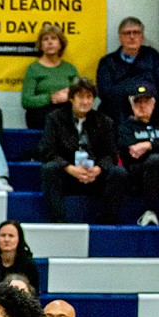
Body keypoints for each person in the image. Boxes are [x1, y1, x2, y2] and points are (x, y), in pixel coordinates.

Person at [39, 77, 126, 224]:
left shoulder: (104, 121)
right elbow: (47, 151)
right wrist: (69, 168)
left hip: (94, 176)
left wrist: (98, 169)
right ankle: (58, 221)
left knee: (119, 172)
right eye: (80, 97)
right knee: (49, 169)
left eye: (89, 97)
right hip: (68, 175)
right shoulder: (55, 119)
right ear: (71, 98)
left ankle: (107, 222)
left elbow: (110, 154)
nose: (85, 102)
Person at [116, 83, 159, 226]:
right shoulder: (126, 126)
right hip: (141, 173)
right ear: (132, 105)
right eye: (138, 102)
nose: (142, 106)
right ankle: (150, 211)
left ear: (154, 103)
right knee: (154, 159)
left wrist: (148, 145)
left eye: (146, 101)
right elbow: (131, 150)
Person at [96, 17, 159, 125]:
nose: (132, 37)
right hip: (119, 113)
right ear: (120, 38)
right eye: (127, 33)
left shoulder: (152, 56)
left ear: (142, 37)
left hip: (149, 110)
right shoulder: (107, 62)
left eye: (136, 32)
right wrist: (135, 89)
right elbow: (104, 93)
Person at [20, 23, 79, 130]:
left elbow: (79, 95)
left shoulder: (70, 68)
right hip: (41, 114)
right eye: (45, 39)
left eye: (54, 38)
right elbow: (26, 101)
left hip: (65, 111)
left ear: (60, 44)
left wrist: (69, 96)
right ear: (41, 46)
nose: (50, 42)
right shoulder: (33, 69)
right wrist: (51, 98)